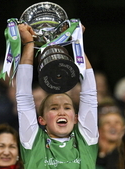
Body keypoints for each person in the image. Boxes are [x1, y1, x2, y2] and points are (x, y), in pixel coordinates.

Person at [16, 23, 98, 168]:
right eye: (53, 108)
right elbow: (23, 97)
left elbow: (89, 94)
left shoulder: (86, 140)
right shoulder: (33, 142)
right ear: (41, 120)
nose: (61, 112)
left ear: (76, 118)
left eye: (67, 108)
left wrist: (76, 42)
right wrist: (29, 44)